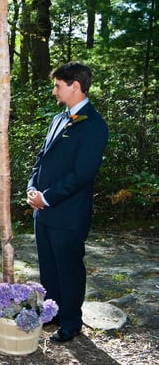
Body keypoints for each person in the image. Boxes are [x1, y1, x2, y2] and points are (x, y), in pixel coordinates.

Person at [26, 62, 108, 342]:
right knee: (48, 266)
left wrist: (46, 198)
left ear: (75, 86)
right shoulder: (58, 119)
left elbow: (82, 174)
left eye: (58, 85)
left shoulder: (94, 125)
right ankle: (54, 313)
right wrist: (32, 189)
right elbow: (41, 158)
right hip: (43, 210)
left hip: (69, 212)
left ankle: (71, 323)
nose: (54, 91)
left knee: (69, 269)